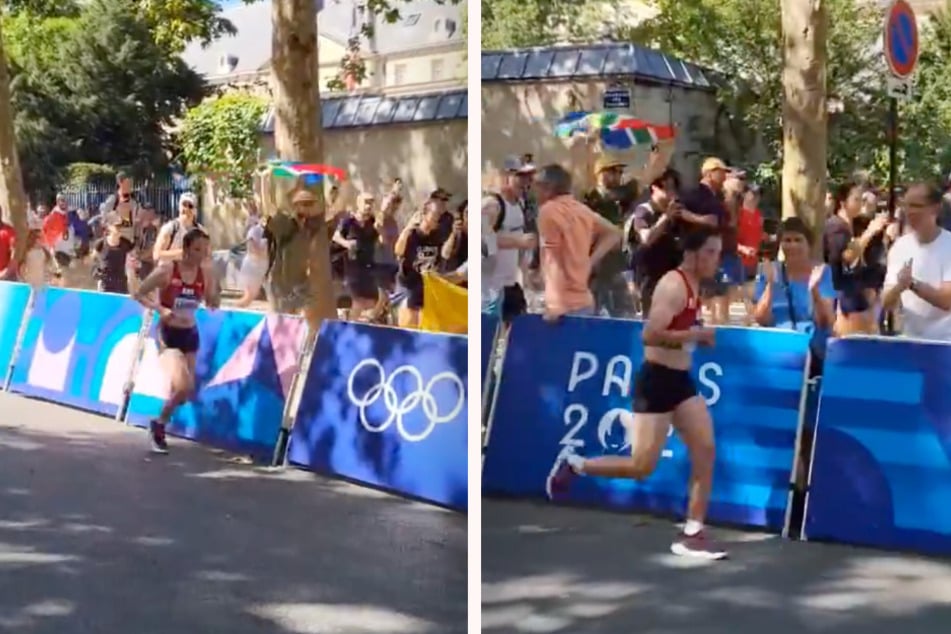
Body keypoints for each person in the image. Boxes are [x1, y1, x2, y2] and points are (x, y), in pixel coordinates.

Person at [547, 227, 727, 560]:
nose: (717, 260)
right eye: (712, 253)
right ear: (693, 254)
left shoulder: (695, 284)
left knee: (705, 449)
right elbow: (650, 334)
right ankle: (576, 464)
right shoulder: (674, 285)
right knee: (642, 465)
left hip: (682, 382)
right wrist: (697, 334)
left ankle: (692, 532)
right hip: (657, 381)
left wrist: (692, 335)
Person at [133, 228, 219, 454]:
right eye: (198, 249)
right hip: (168, 334)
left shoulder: (205, 274)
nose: (202, 254)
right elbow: (139, 293)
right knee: (184, 386)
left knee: (183, 395)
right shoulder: (168, 270)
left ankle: (161, 418)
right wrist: (160, 309)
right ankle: (158, 424)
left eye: (205, 250)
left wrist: (214, 296)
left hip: (190, 333)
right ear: (186, 248)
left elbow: (211, 301)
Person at [534, 164, 622, 320]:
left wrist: (555, 305)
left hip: (563, 305)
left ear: (547, 188)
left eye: (537, 187)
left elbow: (553, 259)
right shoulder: (581, 209)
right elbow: (614, 233)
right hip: (584, 300)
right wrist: (591, 260)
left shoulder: (548, 210)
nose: (534, 192)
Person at [752, 218, 835, 372]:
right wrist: (771, 285)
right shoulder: (768, 269)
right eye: (787, 240)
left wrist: (815, 291)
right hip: (777, 348)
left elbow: (826, 321)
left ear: (808, 244)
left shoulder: (822, 272)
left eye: (798, 240)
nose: (792, 245)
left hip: (812, 352)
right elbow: (761, 319)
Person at [882, 182, 951, 341]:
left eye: (917, 206)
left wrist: (912, 284)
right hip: (911, 340)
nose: (910, 212)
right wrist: (899, 287)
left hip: (945, 342)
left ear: (935, 208)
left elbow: (947, 301)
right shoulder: (900, 247)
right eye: (906, 206)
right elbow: (886, 302)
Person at [823, 180, 888, 335]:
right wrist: (870, 232)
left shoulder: (855, 225)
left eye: (862, 200)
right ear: (843, 202)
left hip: (857, 293)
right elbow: (847, 256)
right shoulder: (835, 227)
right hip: (841, 297)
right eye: (856, 199)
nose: (860, 204)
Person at [394, 201, 445, 327]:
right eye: (435, 214)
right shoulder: (412, 234)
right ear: (424, 214)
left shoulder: (437, 237)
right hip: (408, 285)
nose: (437, 218)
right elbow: (398, 251)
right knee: (408, 327)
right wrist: (407, 229)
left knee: (423, 327)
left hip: (425, 287)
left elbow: (438, 260)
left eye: (440, 215)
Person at [334, 192, 383, 319]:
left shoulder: (373, 222)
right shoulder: (348, 221)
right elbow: (335, 236)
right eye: (366, 202)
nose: (368, 206)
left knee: (371, 302)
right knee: (357, 302)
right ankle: (351, 324)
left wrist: (380, 230)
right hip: (352, 267)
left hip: (369, 266)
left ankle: (358, 322)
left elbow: (381, 241)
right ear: (358, 203)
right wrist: (346, 243)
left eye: (371, 203)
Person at [153, 193, 202, 266]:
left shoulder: (200, 231)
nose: (186, 209)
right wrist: (182, 253)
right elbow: (156, 254)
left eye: (190, 206)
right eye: (184, 205)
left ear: (195, 211)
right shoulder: (170, 228)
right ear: (179, 207)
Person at [235, 211, 269, 308]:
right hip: (253, 267)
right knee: (249, 295)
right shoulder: (255, 231)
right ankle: (235, 311)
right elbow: (251, 248)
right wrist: (264, 253)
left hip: (263, 267)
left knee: (254, 295)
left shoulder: (270, 233)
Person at [92, 217, 133, 294]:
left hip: (121, 282)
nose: (120, 228)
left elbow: (132, 260)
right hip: (105, 282)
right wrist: (97, 270)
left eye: (121, 226)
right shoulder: (100, 243)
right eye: (117, 226)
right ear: (109, 227)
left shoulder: (126, 243)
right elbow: (93, 258)